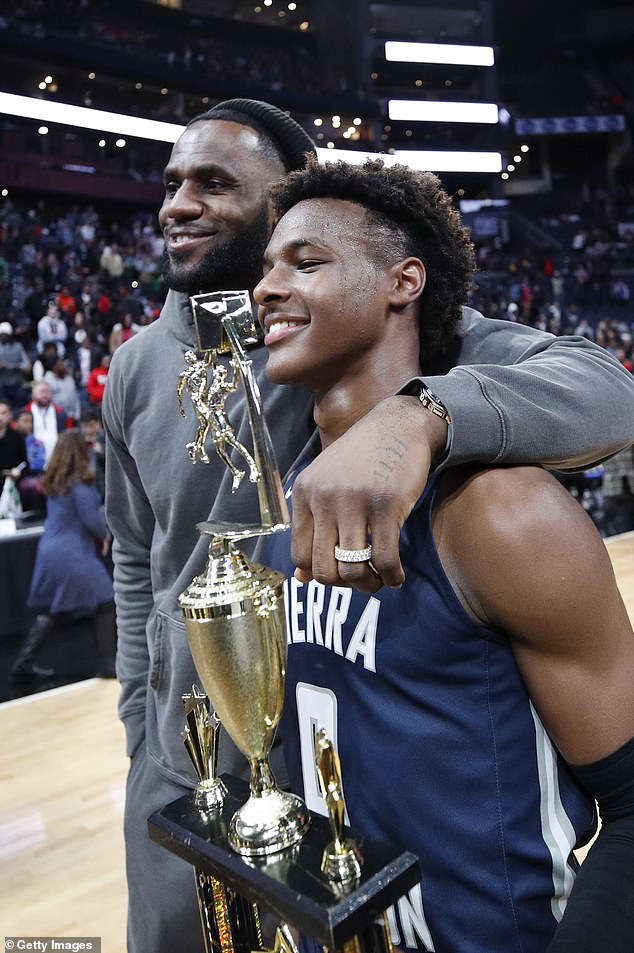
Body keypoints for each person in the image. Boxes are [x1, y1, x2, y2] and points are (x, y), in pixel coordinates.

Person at [102, 99, 634, 953]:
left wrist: (418, 414)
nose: (179, 206)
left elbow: (606, 385)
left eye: (215, 184)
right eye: (170, 184)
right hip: (210, 796)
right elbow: (134, 559)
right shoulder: (138, 368)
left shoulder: (410, 370)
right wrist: (142, 723)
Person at [256, 157, 634, 953]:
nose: (268, 288)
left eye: (307, 262)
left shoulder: (498, 510)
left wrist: (414, 417)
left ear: (403, 283)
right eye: (267, 267)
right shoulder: (282, 504)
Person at [8, 430, 116, 683]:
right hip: (71, 553)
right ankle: (107, 663)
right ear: (80, 452)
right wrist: (104, 535)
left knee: (57, 609)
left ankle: (22, 665)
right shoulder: (80, 485)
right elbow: (92, 520)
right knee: (106, 600)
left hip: (50, 549)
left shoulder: (55, 482)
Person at [0, 320, 30, 407]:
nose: (3, 337)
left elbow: (27, 366)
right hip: (2, 384)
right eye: (1, 335)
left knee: (19, 408)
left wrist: (13, 366)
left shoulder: (18, 346)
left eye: (5, 335)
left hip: (17, 384)